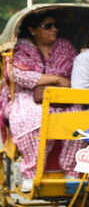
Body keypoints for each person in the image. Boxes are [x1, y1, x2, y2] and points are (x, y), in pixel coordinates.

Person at [0, 12, 83, 192]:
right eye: (48, 26)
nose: (54, 30)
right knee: (34, 118)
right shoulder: (21, 48)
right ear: (33, 30)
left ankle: (71, 171)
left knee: (78, 119)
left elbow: (72, 75)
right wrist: (55, 78)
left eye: (55, 26)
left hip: (61, 96)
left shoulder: (65, 47)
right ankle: (31, 172)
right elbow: (18, 75)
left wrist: (55, 82)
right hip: (25, 96)